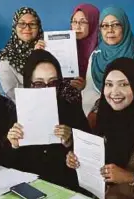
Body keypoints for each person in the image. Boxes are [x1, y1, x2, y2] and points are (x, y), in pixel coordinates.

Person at [67, 57, 134, 199]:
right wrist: (78, 160)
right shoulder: (102, 119)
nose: (115, 92)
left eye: (124, 84)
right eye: (109, 84)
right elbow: (97, 164)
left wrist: (129, 178)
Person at [6, 49, 90, 188]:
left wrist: (71, 142)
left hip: (64, 187)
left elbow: (89, 155)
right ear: (28, 82)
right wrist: (14, 145)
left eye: (52, 83)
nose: (47, 89)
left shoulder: (71, 108)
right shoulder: (17, 112)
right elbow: (8, 164)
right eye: (39, 83)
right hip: (29, 186)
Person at [82, 7, 134, 115]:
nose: (110, 30)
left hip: (133, 114)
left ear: (125, 26)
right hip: (101, 114)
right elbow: (90, 93)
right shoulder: (95, 56)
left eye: (116, 24)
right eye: (104, 26)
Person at [35, 4, 100, 104]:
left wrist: (87, 86)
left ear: (93, 23)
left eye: (83, 22)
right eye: (74, 21)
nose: (77, 26)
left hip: (90, 103)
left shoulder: (101, 52)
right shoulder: (63, 44)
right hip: (60, 102)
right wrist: (39, 53)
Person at [0, 7, 43, 102]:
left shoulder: (47, 48)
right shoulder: (5, 58)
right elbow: (15, 96)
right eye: (22, 24)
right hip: (23, 111)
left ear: (38, 27)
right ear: (15, 27)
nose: (27, 28)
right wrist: (34, 57)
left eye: (32, 24)